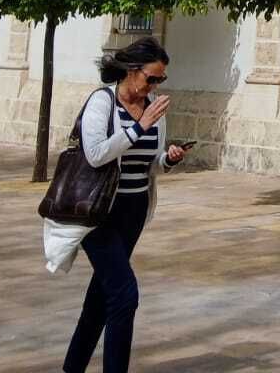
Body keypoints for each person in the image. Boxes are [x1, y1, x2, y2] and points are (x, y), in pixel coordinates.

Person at [62, 36, 188, 373]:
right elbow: (96, 153)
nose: (156, 86)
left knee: (102, 297)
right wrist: (140, 125)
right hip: (97, 210)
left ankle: (72, 367)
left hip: (133, 212)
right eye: (152, 78)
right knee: (124, 295)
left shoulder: (154, 107)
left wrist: (170, 158)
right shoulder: (102, 102)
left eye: (161, 80)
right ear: (132, 71)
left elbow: (151, 162)